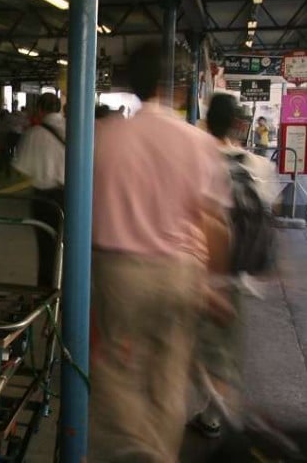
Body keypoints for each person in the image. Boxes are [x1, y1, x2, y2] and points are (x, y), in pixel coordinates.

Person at [88, 42, 232, 462]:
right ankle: (159, 453)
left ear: (131, 84)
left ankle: (132, 447)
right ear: (179, 89)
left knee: (116, 367)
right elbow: (214, 221)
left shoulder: (106, 138)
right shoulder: (197, 142)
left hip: (120, 271)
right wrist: (214, 284)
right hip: (179, 272)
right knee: (169, 373)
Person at [190, 94, 285, 443]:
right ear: (236, 125)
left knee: (189, 347)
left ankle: (215, 413)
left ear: (204, 120)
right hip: (239, 275)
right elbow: (272, 208)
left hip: (199, 274)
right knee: (224, 348)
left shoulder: (195, 161)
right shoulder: (258, 165)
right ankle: (214, 411)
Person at [12, 92, 65, 288]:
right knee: (75, 246)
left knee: (47, 248)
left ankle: (47, 292)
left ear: (40, 110)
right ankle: (73, 290)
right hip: (74, 197)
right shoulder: (74, 128)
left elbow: (22, 167)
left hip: (45, 200)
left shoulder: (34, 134)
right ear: (59, 108)